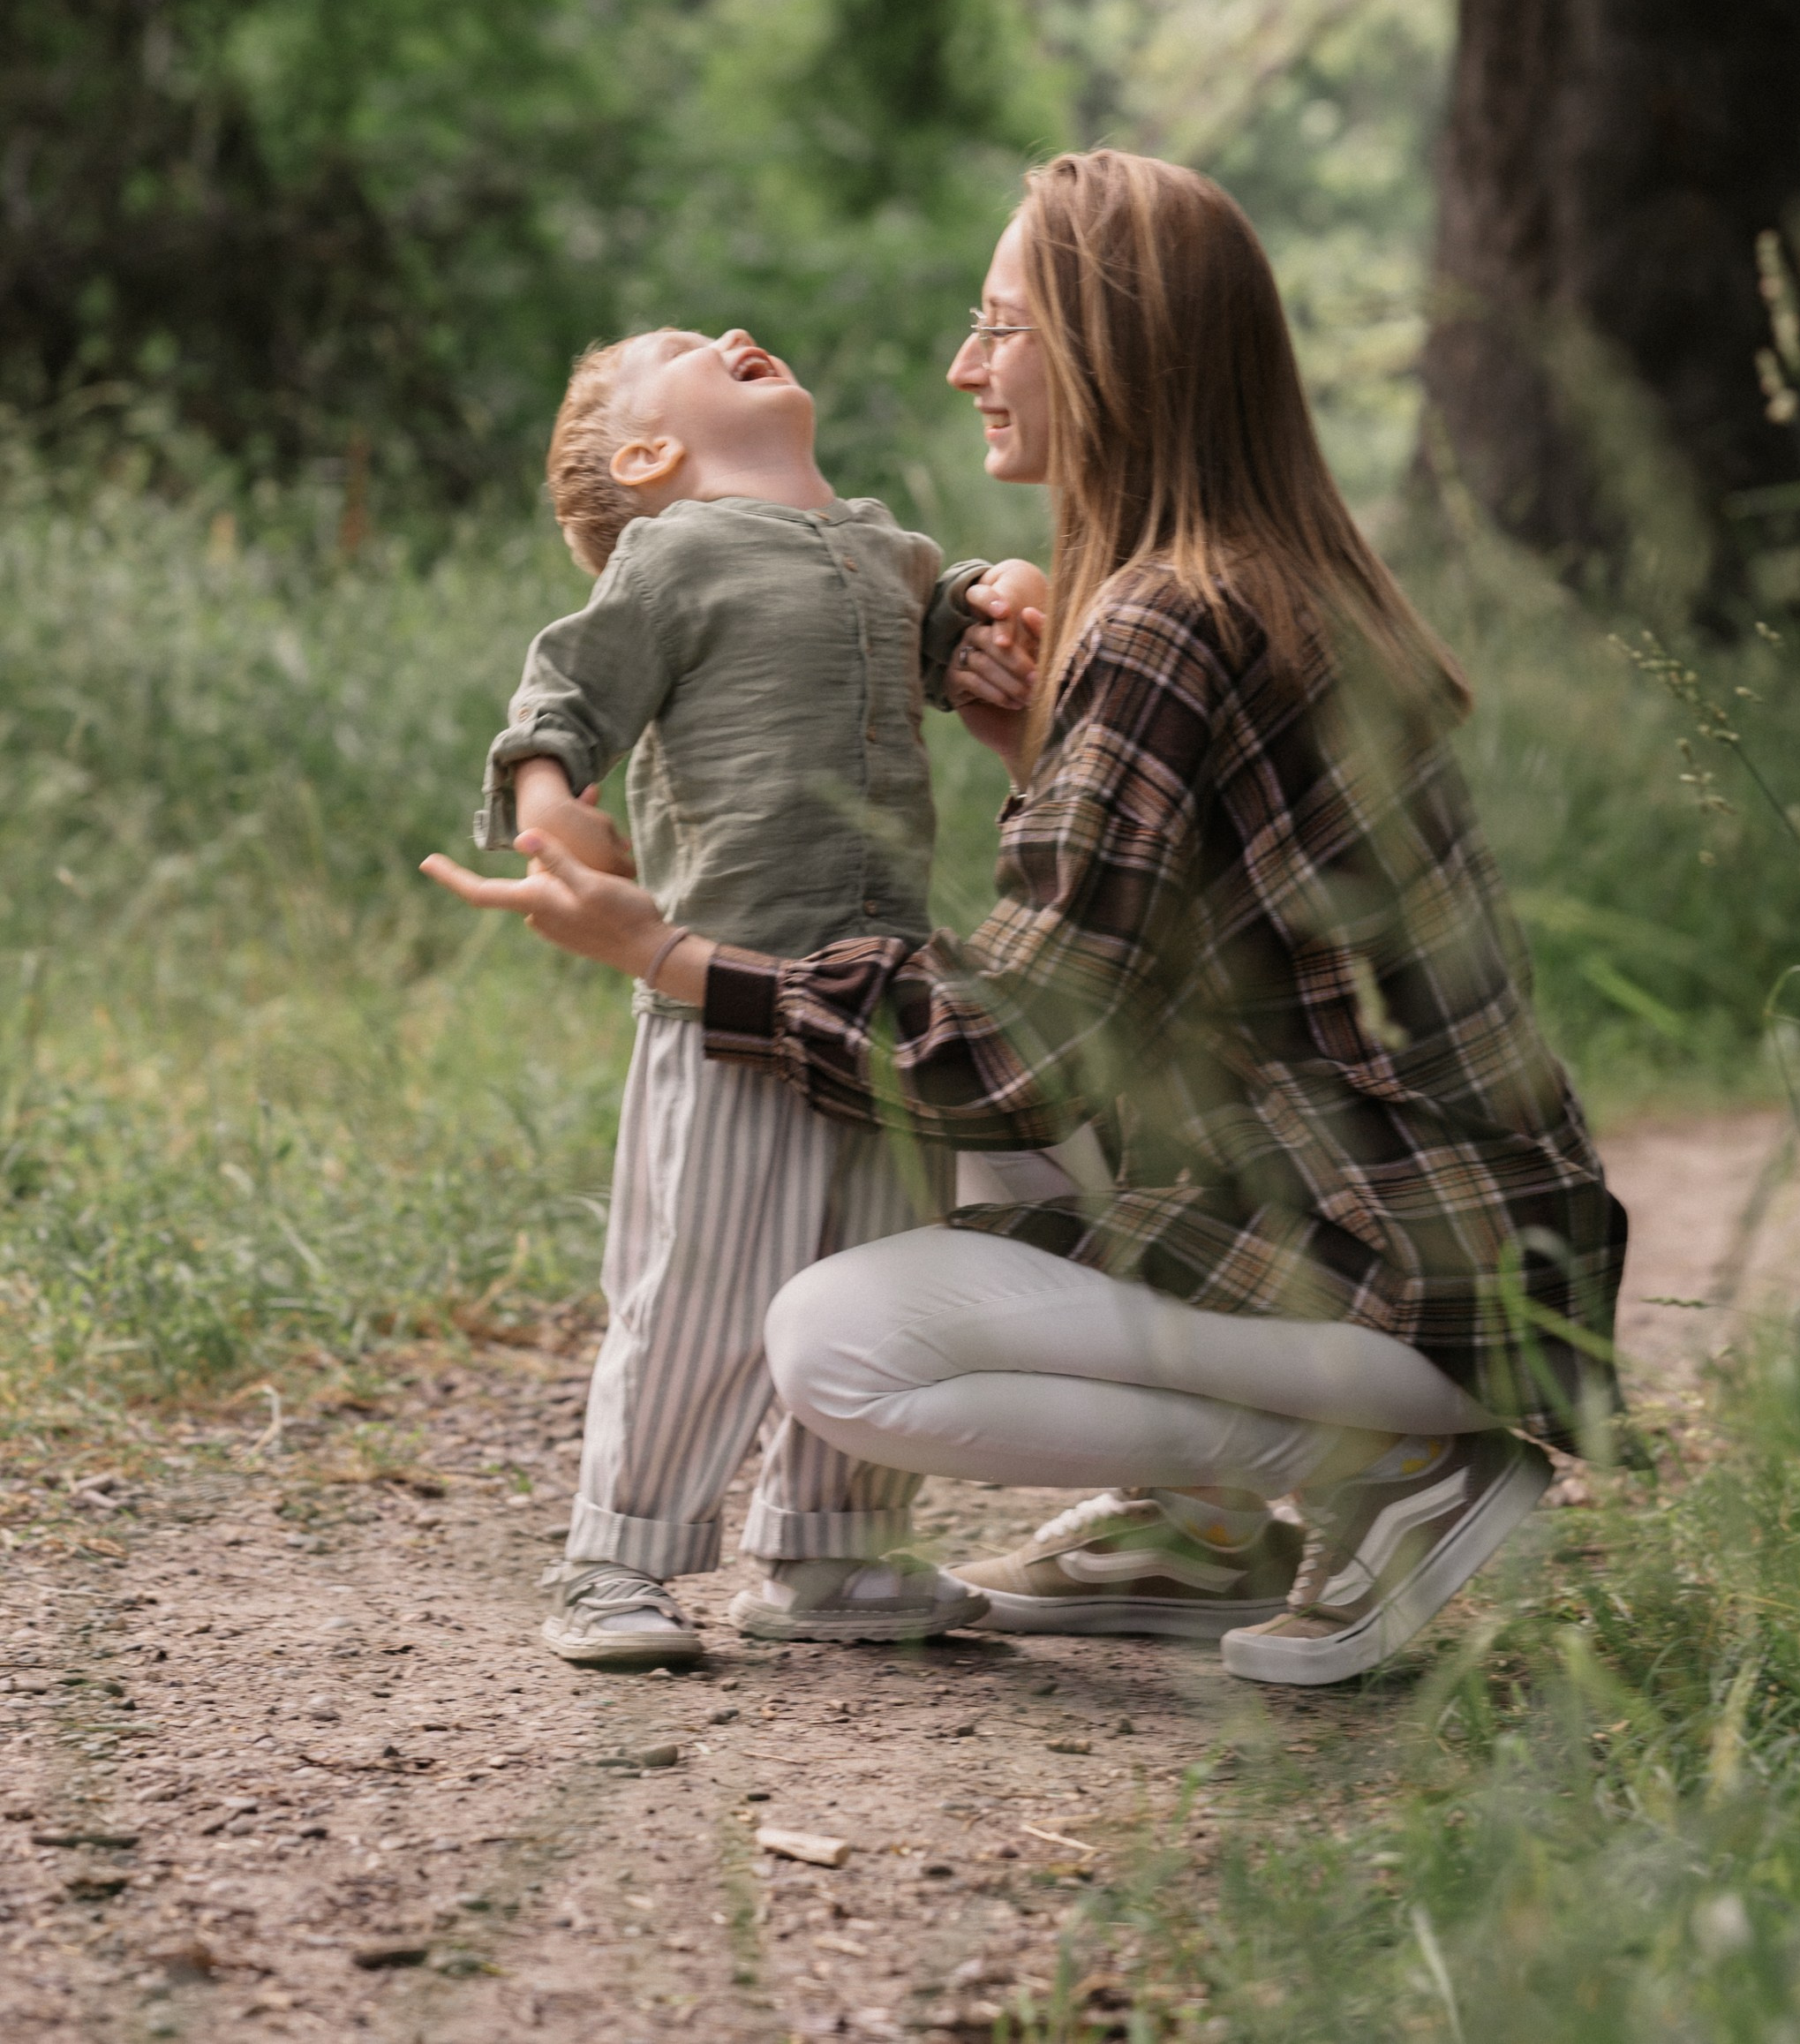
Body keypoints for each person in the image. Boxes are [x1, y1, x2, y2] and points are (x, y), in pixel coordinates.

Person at [436, 158, 1628, 1689]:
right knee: (955, 1130)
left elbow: (1013, 1054)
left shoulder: (1157, 618)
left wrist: (670, 961)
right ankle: (1196, 1526)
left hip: (1404, 1262)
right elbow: (1147, 982)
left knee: (834, 1339)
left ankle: (1388, 1469)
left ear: (1110, 353)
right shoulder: (1254, 583)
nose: (962, 366)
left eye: (1001, 327)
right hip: (1466, 1236)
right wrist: (1033, 767)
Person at [424, 320, 1044, 1666]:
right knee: (700, 1286)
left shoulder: (891, 550)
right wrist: (551, 812)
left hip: (884, 1004)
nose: (735, 335)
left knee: (881, 1268)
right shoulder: (672, 556)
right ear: (648, 455)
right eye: (690, 347)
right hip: (727, 1000)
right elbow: (564, 694)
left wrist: (988, 626)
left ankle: (830, 1558)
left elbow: (941, 643)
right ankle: (618, 1555)